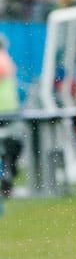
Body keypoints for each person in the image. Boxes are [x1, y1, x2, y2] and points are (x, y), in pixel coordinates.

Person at [0, 33, 22, 197]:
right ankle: (7, 180)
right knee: (11, 147)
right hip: (9, 112)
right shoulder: (5, 59)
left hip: (7, 113)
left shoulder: (3, 59)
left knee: (10, 147)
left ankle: (6, 180)